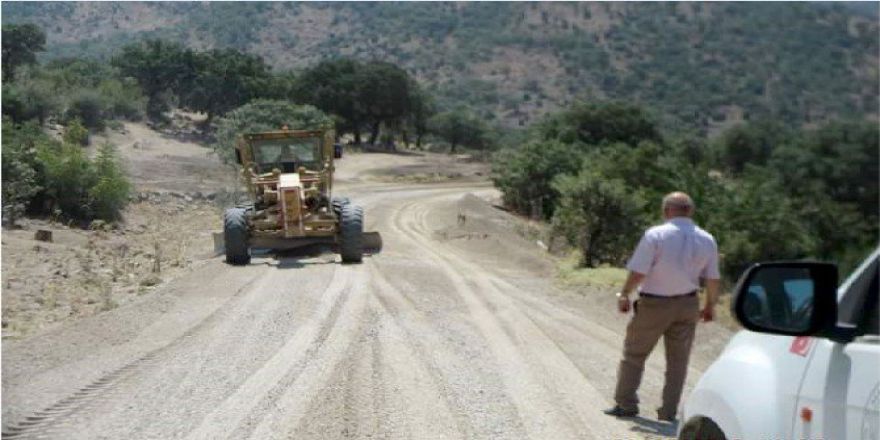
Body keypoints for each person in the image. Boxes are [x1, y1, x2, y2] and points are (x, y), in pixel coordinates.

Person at [603, 191, 720, 422]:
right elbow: (713, 278)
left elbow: (638, 272)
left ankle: (626, 404)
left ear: (666, 211)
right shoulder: (707, 239)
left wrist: (625, 293)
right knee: (678, 361)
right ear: (691, 211)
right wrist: (710, 306)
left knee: (634, 354)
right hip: (688, 303)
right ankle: (668, 412)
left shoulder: (656, 235)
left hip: (655, 303)